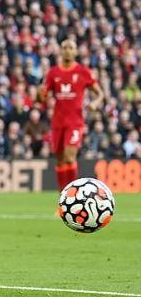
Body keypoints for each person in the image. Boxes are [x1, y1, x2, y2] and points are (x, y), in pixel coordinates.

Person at [41, 40, 104, 189]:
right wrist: (39, 95)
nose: (68, 50)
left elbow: (100, 93)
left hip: (75, 122)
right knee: (60, 160)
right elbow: (42, 96)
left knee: (70, 157)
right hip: (57, 122)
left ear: (75, 52)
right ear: (61, 52)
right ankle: (63, 198)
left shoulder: (82, 71)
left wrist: (95, 103)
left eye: (71, 48)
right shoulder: (53, 72)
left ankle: (73, 194)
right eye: (65, 48)